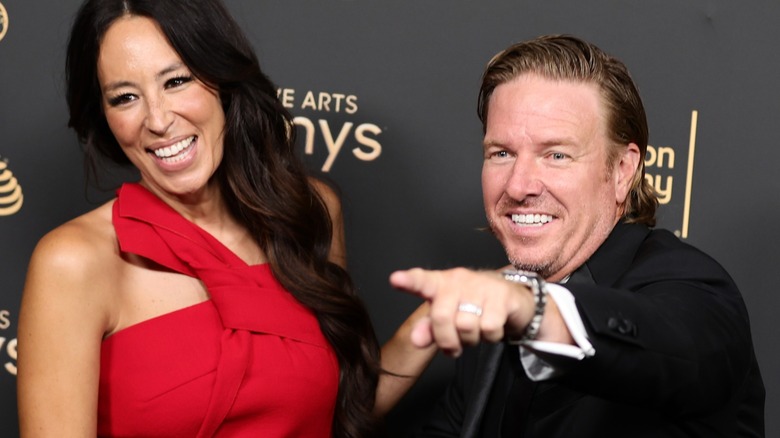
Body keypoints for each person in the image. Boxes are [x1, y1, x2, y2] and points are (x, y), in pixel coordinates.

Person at [17, 0, 431, 436]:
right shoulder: (74, 262)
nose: (157, 120)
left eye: (176, 81)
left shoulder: (309, 211)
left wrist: (431, 323)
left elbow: (341, 412)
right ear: (104, 116)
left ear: (221, 78)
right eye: (125, 98)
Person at [390, 35, 765, 437]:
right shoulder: (497, 303)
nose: (518, 186)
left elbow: (675, 347)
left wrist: (535, 312)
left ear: (622, 170)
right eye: (501, 153)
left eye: (557, 155)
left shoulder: (692, 286)